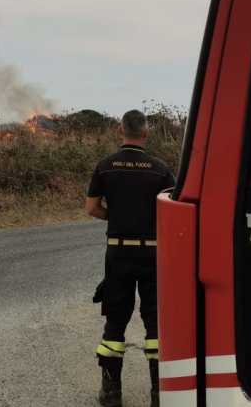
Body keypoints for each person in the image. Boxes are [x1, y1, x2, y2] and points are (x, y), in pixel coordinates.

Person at [85, 109, 175, 407]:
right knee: (155, 321)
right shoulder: (160, 169)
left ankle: (111, 394)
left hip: (118, 252)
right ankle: (159, 394)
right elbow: (172, 209)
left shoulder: (105, 166)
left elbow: (92, 208)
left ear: (119, 130)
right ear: (146, 134)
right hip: (153, 252)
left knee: (115, 319)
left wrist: (117, 215)